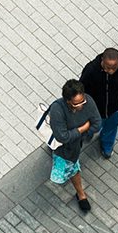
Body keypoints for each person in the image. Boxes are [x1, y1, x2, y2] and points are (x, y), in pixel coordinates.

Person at [39, 78, 102, 215]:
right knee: (73, 168)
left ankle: (80, 193)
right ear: (68, 101)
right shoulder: (58, 109)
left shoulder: (88, 101)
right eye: (76, 104)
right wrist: (82, 129)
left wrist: (81, 135)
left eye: (82, 101)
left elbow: (97, 123)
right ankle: (80, 194)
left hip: (75, 144)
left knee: (72, 165)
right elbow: (62, 137)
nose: (81, 106)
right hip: (65, 148)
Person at [80, 47, 118, 158]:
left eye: (114, 68)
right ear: (102, 61)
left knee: (111, 127)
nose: (110, 71)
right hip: (93, 110)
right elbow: (81, 90)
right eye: (107, 67)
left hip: (113, 108)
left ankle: (107, 145)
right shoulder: (91, 70)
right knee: (88, 129)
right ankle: (82, 140)